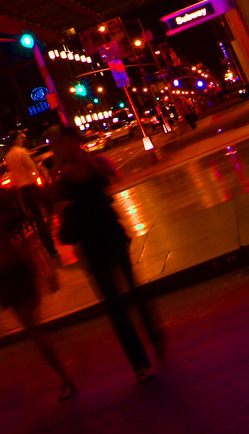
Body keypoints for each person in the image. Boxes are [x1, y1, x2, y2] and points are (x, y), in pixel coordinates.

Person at [48, 123, 166, 381]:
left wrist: (88, 163)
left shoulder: (94, 163)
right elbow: (55, 207)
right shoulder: (61, 175)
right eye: (63, 144)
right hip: (90, 244)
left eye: (71, 142)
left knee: (133, 290)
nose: (68, 147)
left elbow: (111, 175)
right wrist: (60, 174)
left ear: (77, 142)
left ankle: (155, 337)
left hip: (109, 233)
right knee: (114, 304)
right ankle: (139, 363)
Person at [0, 165, 76, 401]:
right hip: (9, 270)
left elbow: (18, 241)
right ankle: (64, 375)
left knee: (34, 329)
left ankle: (65, 377)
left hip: (13, 270)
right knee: (33, 328)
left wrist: (45, 269)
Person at [3, 132, 57, 258]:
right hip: (32, 186)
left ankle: (48, 245)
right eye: (20, 138)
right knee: (49, 207)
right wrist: (42, 178)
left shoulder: (8, 157)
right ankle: (49, 237)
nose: (22, 140)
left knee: (37, 217)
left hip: (23, 190)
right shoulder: (22, 152)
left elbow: (13, 174)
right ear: (15, 140)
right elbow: (32, 167)